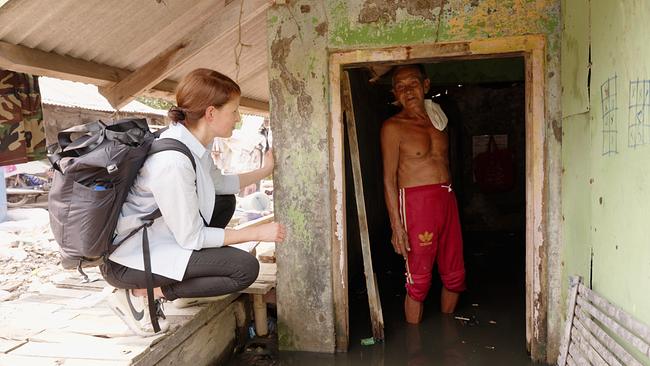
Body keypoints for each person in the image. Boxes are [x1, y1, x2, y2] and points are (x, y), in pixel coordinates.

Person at [101, 68, 285, 336]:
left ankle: (181, 280)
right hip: (131, 261)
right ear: (211, 113)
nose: (238, 118)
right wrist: (256, 232)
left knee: (224, 202)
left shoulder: (195, 145)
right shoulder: (173, 162)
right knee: (244, 268)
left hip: (163, 240)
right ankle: (145, 293)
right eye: (233, 110)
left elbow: (219, 184)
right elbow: (192, 237)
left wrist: (264, 171)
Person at [380, 64, 465, 324]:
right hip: (417, 205)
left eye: (413, 83)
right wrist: (396, 226)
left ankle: (448, 336)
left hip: (446, 199)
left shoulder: (440, 121)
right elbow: (388, 179)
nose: (407, 91)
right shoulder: (392, 128)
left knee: (455, 274)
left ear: (425, 85)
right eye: (400, 87)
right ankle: (414, 350)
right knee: (418, 280)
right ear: (395, 92)